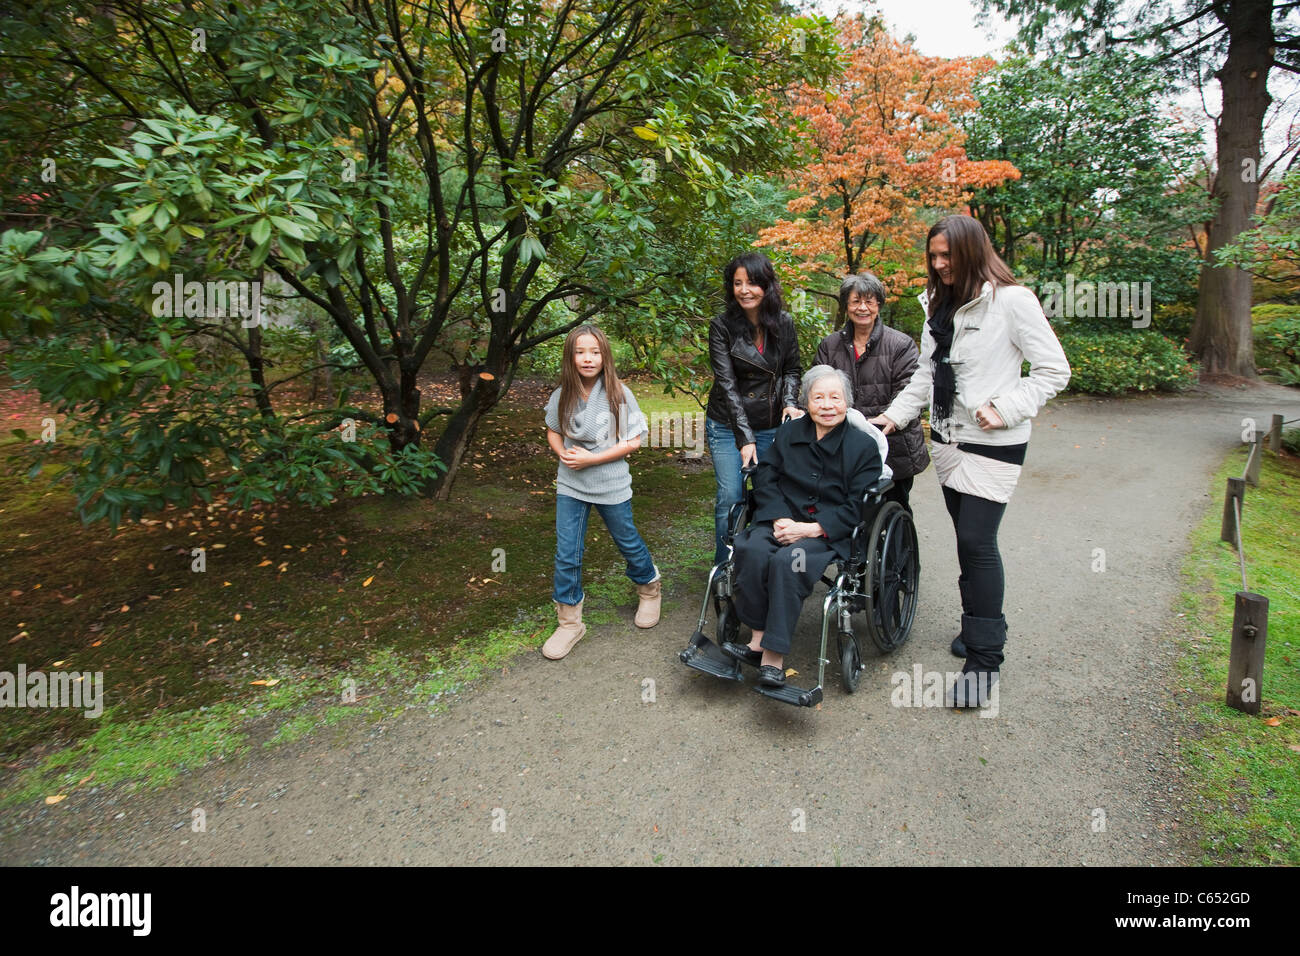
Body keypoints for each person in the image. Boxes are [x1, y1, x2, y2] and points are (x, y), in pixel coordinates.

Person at [871, 214, 1070, 707]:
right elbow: (923, 374)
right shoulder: (938, 306)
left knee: (979, 543)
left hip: (993, 442)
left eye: (948, 256)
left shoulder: (1013, 301)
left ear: (973, 252)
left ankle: (984, 661)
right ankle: (975, 625)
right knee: (965, 540)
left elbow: (1053, 370)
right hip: (946, 440)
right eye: (933, 256)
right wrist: (891, 418)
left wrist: (1004, 407)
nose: (939, 265)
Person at [721, 366, 882, 688]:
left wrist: (811, 529)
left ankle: (773, 657)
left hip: (826, 534)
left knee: (788, 562)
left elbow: (861, 505)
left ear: (847, 402)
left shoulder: (863, 447)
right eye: (818, 397)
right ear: (807, 402)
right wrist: (779, 516)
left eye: (835, 398)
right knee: (749, 549)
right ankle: (758, 637)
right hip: (781, 521)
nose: (827, 405)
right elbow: (765, 476)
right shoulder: (790, 433)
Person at [542, 325, 660, 660]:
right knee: (567, 552)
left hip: (610, 484)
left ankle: (649, 589)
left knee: (627, 541)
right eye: (580, 352)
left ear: (604, 355)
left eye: (594, 351)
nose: (588, 358)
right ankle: (569, 622)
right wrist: (561, 453)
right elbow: (552, 431)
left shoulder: (618, 394)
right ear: (571, 356)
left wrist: (593, 458)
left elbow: (633, 441)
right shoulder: (561, 395)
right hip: (571, 484)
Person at [705, 252, 803, 566]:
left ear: (767, 285)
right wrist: (744, 438)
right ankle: (724, 568)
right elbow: (728, 385)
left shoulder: (784, 323)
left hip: (771, 423)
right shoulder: (721, 326)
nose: (745, 290)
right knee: (731, 497)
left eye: (752, 283)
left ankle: (758, 564)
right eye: (737, 283)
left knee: (768, 497)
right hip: (727, 425)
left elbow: (792, 369)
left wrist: (790, 402)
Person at [815, 272, 929, 513]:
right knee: (847, 510)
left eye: (869, 301)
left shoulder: (901, 344)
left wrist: (880, 422)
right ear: (846, 305)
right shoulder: (830, 345)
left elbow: (908, 391)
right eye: (856, 301)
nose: (863, 308)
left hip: (892, 443)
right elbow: (818, 387)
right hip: (841, 444)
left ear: (879, 303)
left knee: (894, 508)